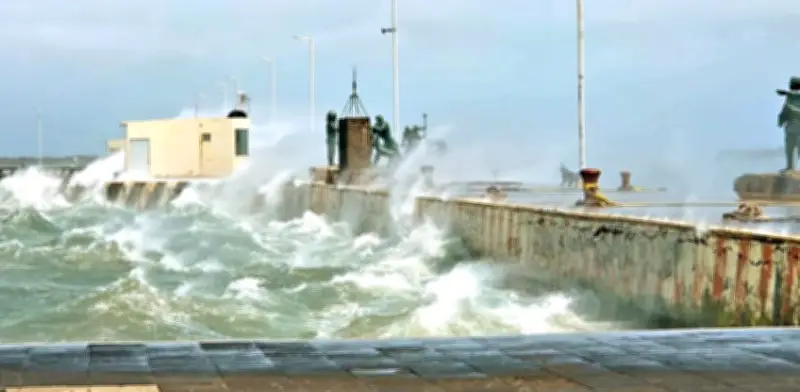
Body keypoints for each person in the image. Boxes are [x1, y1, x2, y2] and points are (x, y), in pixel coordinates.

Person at [778, 77, 800, 172]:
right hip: (793, 127)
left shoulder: (790, 97)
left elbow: (785, 110)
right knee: (792, 147)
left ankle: (790, 167)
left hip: (792, 127)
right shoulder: (790, 96)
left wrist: (781, 120)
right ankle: (790, 167)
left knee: (790, 148)